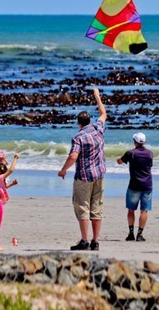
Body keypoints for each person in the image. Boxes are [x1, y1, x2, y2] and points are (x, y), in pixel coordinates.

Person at [58, 88, 107, 251]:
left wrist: (63, 170)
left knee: (83, 208)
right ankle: (95, 241)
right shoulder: (98, 129)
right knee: (97, 208)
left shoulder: (78, 137)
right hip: (99, 175)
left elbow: (73, 156)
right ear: (89, 120)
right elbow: (103, 113)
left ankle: (85, 241)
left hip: (84, 177)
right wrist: (97, 96)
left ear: (79, 123)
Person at [117, 132, 153, 242]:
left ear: (135, 142)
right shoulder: (149, 153)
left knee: (131, 210)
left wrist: (118, 159)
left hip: (134, 184)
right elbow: (150, 165)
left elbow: (120, 162)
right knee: (144, 210)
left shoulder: (130, 153)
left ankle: (131, 233)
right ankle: (140, 234)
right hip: (147, 184)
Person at [0, 153, 19, 251]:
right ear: (1, 172)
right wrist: (15, 159)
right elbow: (11, 170)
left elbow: (3, 187)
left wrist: (12, 185)